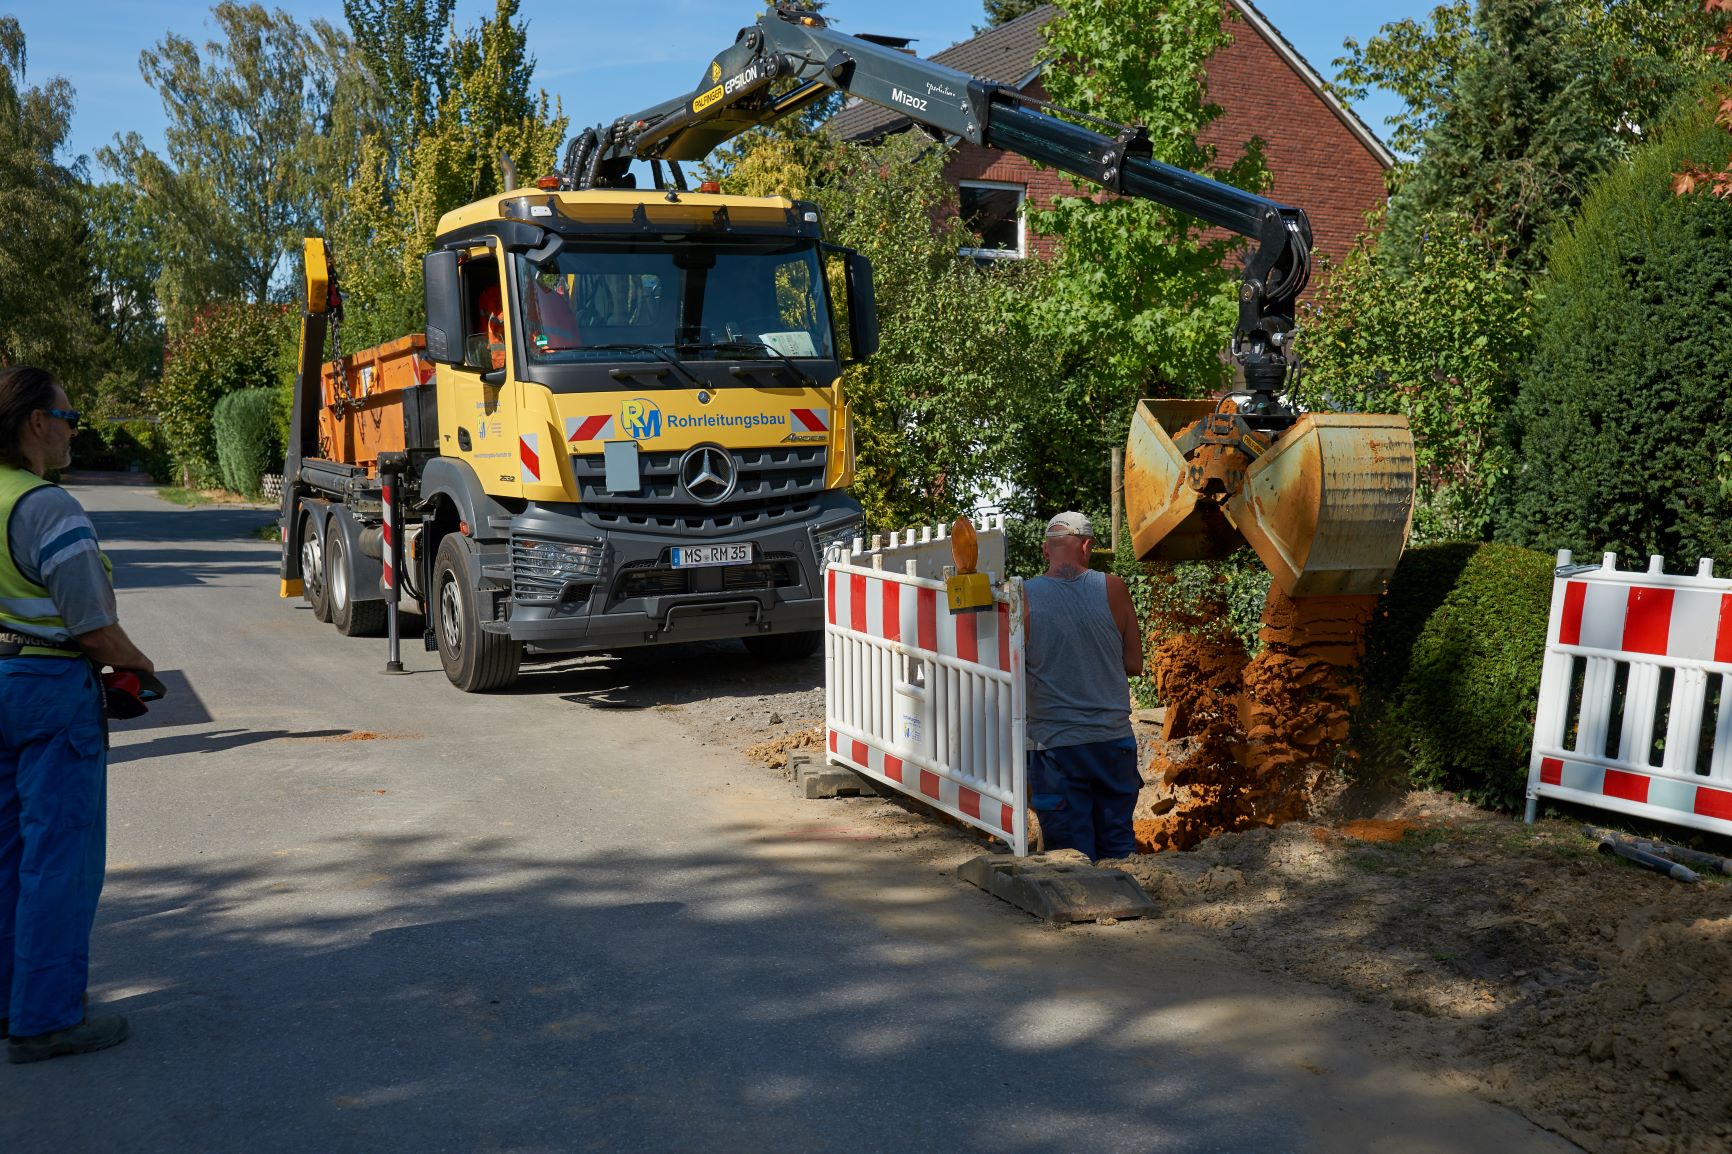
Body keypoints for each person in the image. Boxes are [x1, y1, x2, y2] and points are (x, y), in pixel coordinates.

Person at [0, 366, 153, 1063]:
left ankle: (12, 1002)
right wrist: (140, 667)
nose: (72, 431)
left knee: (9, 854)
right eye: (66, 418)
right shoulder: (46, 508)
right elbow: (93, 628)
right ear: (35, 423)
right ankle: (48, 1018)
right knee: (59, 855)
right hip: (49, 686)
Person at [1024, 511, 1144, 860]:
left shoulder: (1023, 596)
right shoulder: (1114, 587)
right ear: (1087, 546)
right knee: (1118, 848)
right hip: (1112, 743)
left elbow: (1008, 668)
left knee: (1069, 854)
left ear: (1047, 550)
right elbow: (1134, 664)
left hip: (1055, 748)